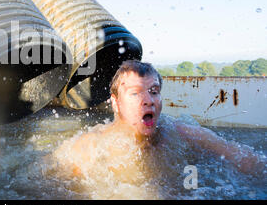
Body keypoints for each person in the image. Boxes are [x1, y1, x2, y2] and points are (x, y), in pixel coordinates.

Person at [52, 60, 265, 180]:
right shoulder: (89, 147)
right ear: (115, 103)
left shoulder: (184, 134)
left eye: (154, 91)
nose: (148, 101)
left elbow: (246, 160)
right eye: (135, 93)